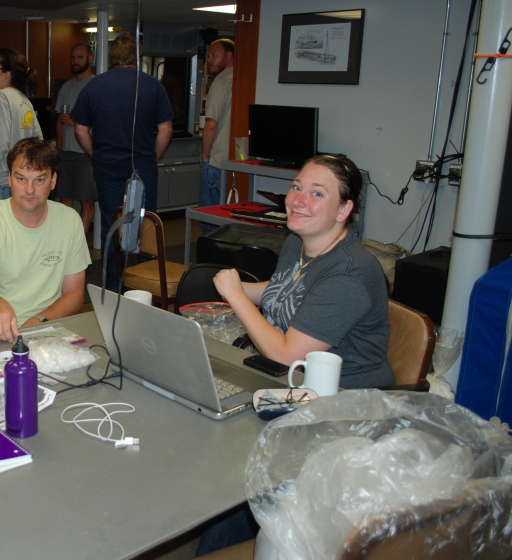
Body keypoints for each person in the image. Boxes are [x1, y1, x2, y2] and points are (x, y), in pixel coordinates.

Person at [213, 155, 395, 389]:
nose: (298, 201)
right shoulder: (296, 243)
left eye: (317, 193)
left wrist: (236, 296)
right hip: (283, 380)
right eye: (297, 187)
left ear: (343, 209)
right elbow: (288, 288)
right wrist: (238, 288)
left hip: (342, 398)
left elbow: (288, 358)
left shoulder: (349, 274)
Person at [71, 33, 173, 291]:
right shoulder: (152, 86)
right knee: (146, 225)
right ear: (136, 58)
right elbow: (166, 129)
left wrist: (96, 154)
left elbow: (80, 130)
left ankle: (113, 288)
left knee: (112, 226)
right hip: (143, 168)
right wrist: (153, 156)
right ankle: (146, 288)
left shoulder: (94, 86)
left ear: (111, 57)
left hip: (107, 168)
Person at [0, 138, 91, 342]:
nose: (29, 189)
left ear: (54, 181)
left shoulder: (70, 220)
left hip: (47, 324)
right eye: (21, 178)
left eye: (39, 180)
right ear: (9, 179)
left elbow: (74, 295)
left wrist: (38, 321)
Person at [0, 48, 43, 205]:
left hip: (0, 186)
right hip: (20, 184)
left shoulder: (0, 97)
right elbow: (38, 141)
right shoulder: (24, 100)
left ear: (7, 73)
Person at [55, 43, 97, 234]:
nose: (75, 61)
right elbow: (59, 120)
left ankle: (79, 241)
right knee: (64, 199)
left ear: (90, 59)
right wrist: (59, 148)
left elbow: (102, 121)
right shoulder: (66, 87)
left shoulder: (96, 85)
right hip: (66, 153)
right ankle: (68, 239)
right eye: (73, 57)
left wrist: (76, 121)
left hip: (85, 154)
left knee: (86, 199)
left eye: (80, 57)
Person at [199, 39, 234, 232]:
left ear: (229, 56)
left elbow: (211, 124)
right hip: (234, 161)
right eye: (208, 56)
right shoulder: (244, 79)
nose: (209, 60)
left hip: (217, 160)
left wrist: (205, 157)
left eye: (214, 55)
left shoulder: (220, 82)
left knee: (209, 217)